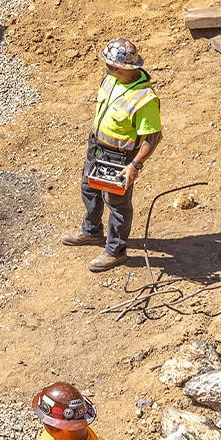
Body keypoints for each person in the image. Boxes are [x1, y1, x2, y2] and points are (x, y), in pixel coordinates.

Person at [60, 38, 163, 272]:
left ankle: (116, 251)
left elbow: (153, 137)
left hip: (120, 158)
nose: (103, 66)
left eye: (107, 63)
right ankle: (92, 231)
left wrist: (135, 165)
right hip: (97, 148)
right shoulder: (110, 79)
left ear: (118, 67)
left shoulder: (145, 100)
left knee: (117, 204)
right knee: (89, 188)